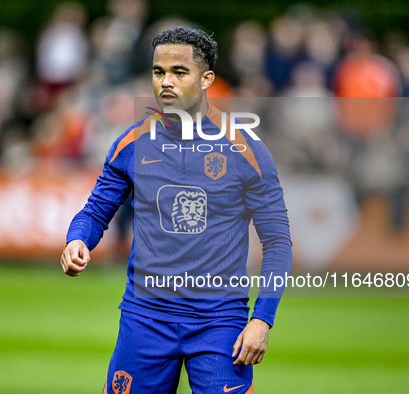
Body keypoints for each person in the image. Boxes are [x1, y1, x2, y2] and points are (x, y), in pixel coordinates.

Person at [60, 26, 292, 394]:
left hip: (219, 322)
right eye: (158, 72)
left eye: (179, 72)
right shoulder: (133, 143)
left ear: (206, 79)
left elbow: (278, 242)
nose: (166, 82)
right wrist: (77, 240)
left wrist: (262, 319)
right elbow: (95, 210)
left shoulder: (246, 150)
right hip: (145, 318)